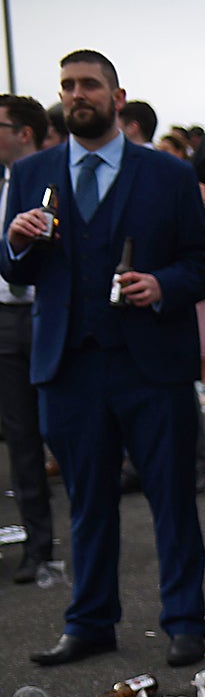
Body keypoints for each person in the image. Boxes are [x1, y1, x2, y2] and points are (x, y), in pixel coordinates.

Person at [2, 49, 205, 668]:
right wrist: (14, 243)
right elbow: (18, 270)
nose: (77, 95)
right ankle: (90, 621)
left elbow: (200, 263)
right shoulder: (33, 170)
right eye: (67, 86)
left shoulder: (167, 175)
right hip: (68, 364)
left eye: (89, 85)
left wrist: (164, 285)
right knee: (87, 500)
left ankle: (184, 620)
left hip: (150, 361)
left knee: (171, 496)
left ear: (117, 97)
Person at [0, 94, 52, 585]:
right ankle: (38, 545)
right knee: (19, 437)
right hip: (4, 317)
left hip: (44, 313)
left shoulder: (50, 178)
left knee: (61, 426)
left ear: (24, 133)